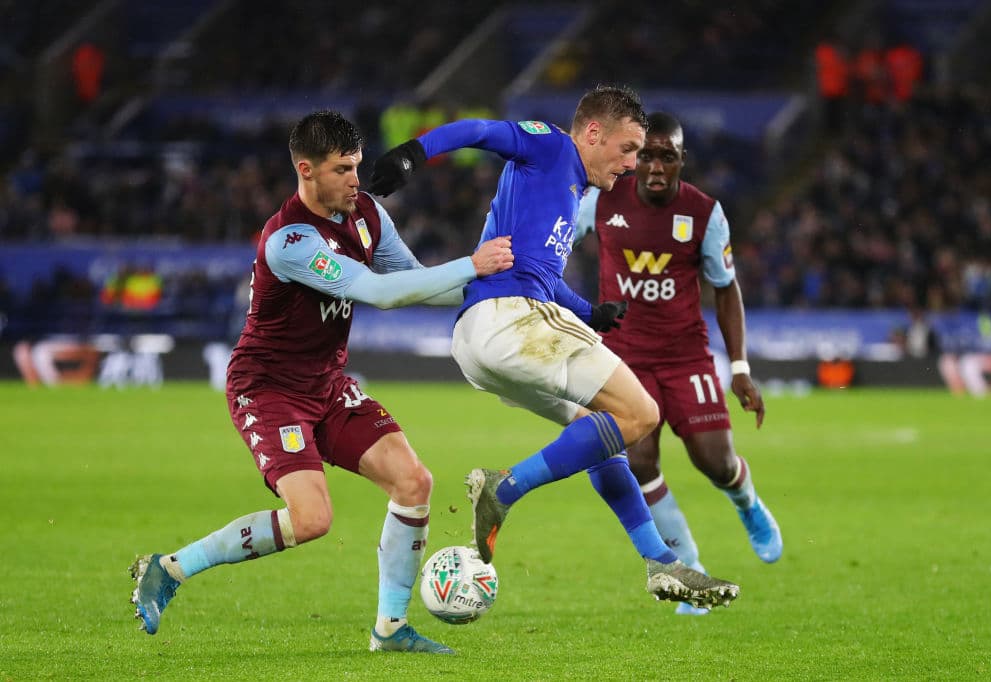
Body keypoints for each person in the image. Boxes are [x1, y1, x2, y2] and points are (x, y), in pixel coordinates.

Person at [129, 110, 514, 654]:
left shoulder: (367, 215)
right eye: (342, 170)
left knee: (414, 482)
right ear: (306, 171)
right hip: (268, 387)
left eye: (357, 166)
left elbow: (415, 282)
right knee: (311, 519)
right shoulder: (289, 242)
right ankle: (170, 569)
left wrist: (502, 287)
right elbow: (379, 294)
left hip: (327, 382)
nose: (356, 180)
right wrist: (473, 264)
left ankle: (390, 629)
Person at [369, 85, 739, 610]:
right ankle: (505, 488)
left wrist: (591, 313)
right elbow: (480, 129)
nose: (632, 165)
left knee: (601, 431)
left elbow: (542, 276)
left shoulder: (569, 191)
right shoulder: (552, 146)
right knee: (643, 413)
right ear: (593, 133)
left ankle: (659, 561)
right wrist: (414, 152)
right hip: (511, 319)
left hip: (483, 338)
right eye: (628, 149)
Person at [574, 112, 782, 615]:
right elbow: (559, 236)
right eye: (647, 154)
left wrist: (739, 368)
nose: (656, 166)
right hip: (625, 358)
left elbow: (725, 288)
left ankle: (747, 501)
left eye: (668, 156)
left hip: (686, 356)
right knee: (640, 461)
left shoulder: (704, 213)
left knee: (715, 461)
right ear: (634, 156)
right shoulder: (601, 199)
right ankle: (687, 563)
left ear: (682, 161)